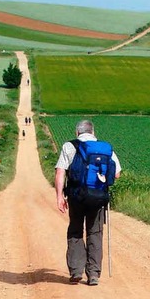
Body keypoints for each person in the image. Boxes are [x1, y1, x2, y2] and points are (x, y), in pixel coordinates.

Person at [54, 120, 121, 286]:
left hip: (77, 197)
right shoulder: (105, 148)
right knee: (95, 233)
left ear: (77, 132)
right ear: (93, 132)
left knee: (76, 231)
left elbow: (60, 172)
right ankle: (93, 275)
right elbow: (117, 173)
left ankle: (76, 271)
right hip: (98, 198)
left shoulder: (70, 146)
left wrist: (59, 196)